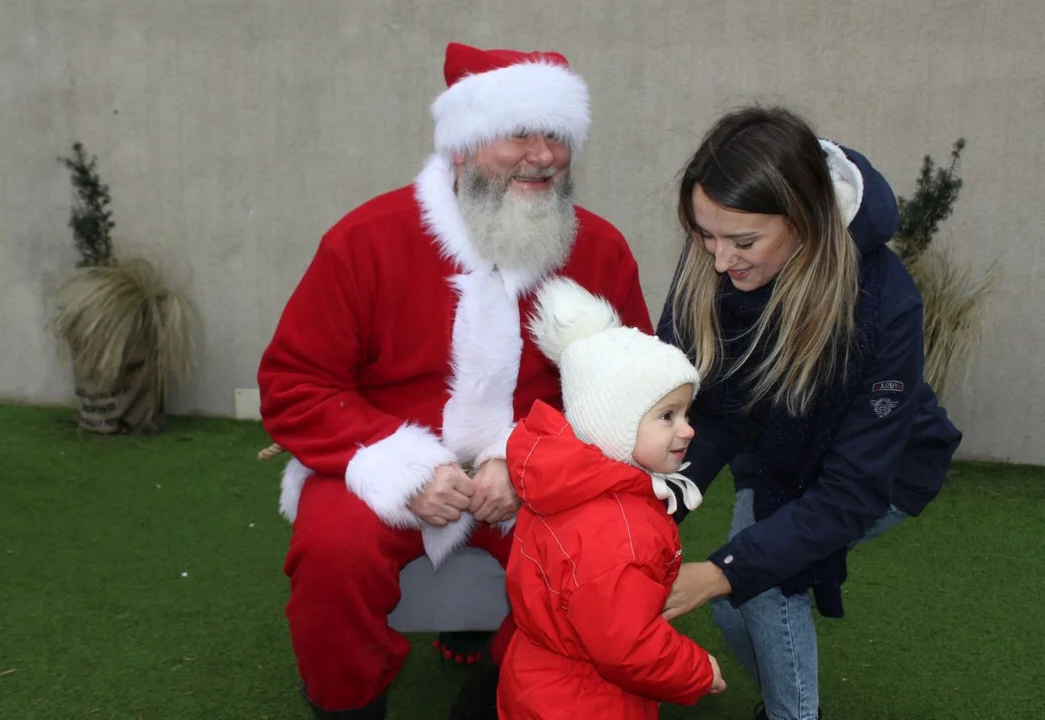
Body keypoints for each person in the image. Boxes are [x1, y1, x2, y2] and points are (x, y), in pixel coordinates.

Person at [257, 42, 651, 719]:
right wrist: (403, 467)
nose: (544, 154)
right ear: (462, 146)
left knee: (612, 548)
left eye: (556, 135)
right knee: (333, 551)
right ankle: (348, 702)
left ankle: (497, 688)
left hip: (539, 460)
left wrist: (528, 459)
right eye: (518, 133)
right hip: (382, 454)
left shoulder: (600, 249)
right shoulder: (365, 241)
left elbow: (630, 393)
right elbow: (297, 383)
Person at [655, 106, 963, 720]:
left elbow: (852, 491)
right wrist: (673, 489)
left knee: (762, 584)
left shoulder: (884, 302)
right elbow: (710, 409)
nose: (719, 261)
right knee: (733, 592)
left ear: (807, 220)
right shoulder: (717, 260)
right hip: (776, 450)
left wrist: (722, 568)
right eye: (704, 236)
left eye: (743, 242)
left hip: (886, 470)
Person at [496, 277, 726, 719]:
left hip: (535, 676)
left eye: (686, 413)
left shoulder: (560, 482)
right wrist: (697, 671)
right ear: (613, 425)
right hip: (590, 700)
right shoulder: (619, 531)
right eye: (667, 416)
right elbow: (626, 648)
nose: (688, 429)